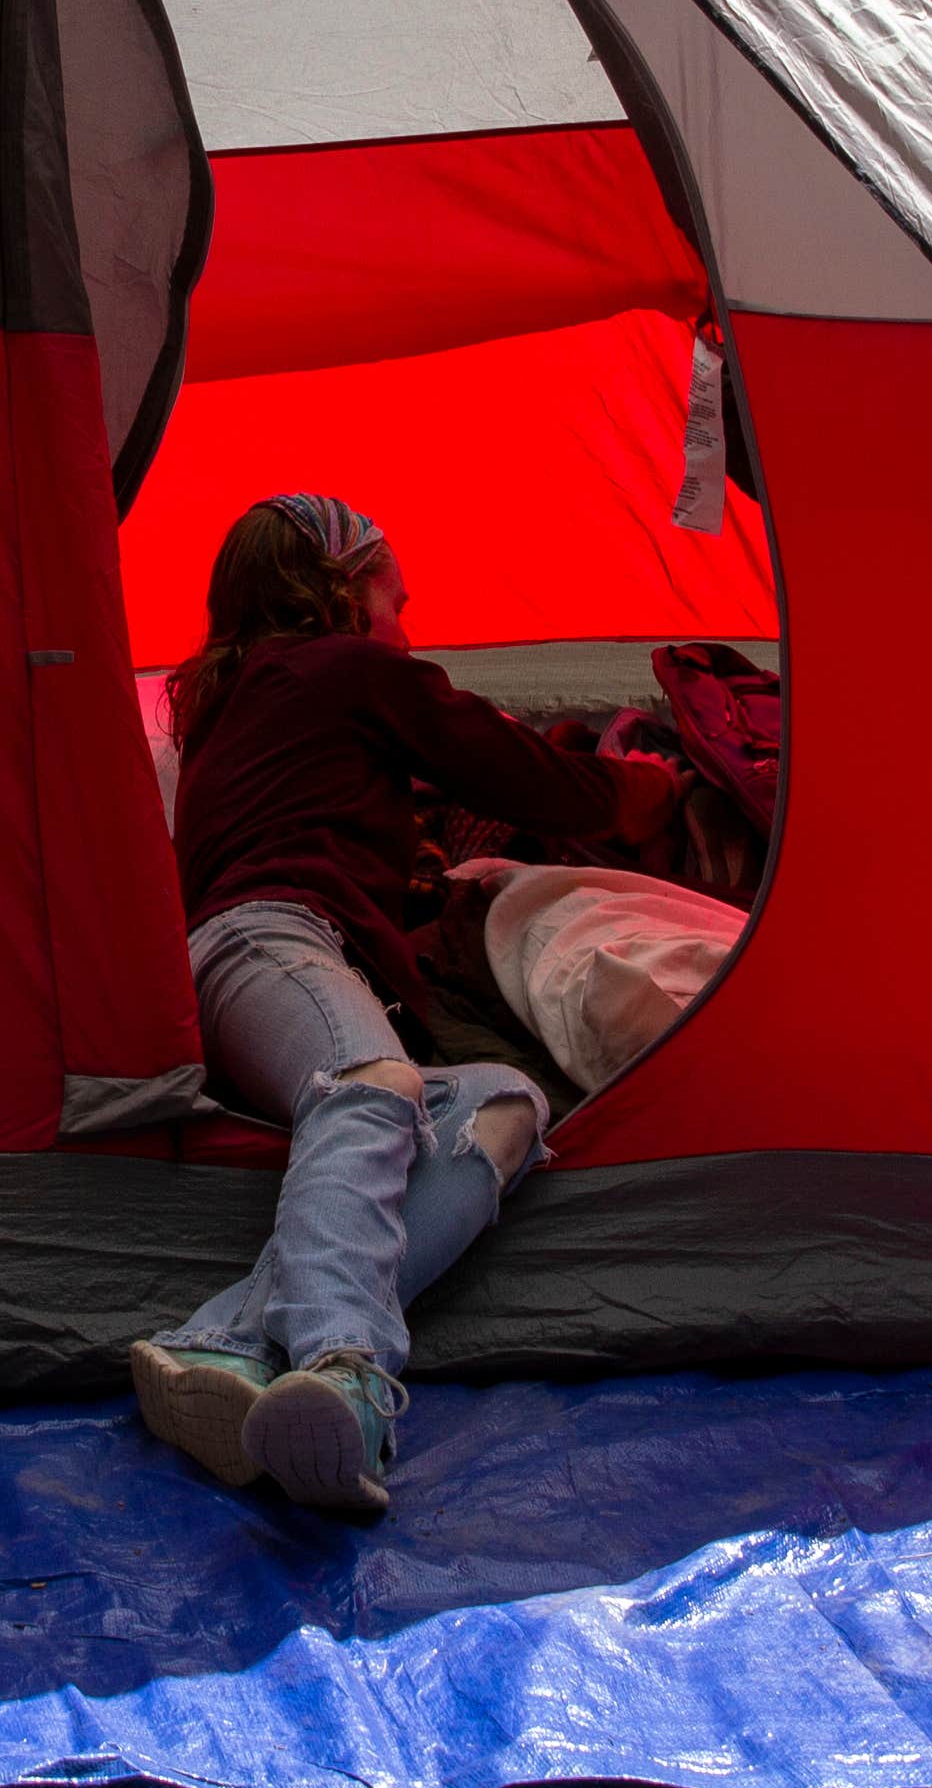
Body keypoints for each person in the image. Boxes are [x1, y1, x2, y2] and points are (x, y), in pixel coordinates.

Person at [129, 493, 683, 1519]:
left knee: (504, 1106)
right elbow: (507, 761)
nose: (409, 620)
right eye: (399, 596)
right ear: (343, 589)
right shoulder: (339, 669)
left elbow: (325, 818)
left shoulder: (243, 703)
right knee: (370, 1084)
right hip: (268, 945)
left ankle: (229, 1341)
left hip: (284, 958)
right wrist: (634, 789)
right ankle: (347, 1367)